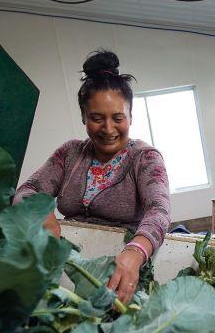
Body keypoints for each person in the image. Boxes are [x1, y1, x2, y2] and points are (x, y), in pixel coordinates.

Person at [13, 50, 171, 304]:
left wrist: (135, 252)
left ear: (130, 116)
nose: (108, 129)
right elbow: (27, 190)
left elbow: (159, 212)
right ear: (84, 118)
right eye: (97, 118)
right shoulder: (70, 153)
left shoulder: (145, 158)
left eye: (118, 118)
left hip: (120, 274)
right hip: (67, 267)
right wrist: (40, 211)